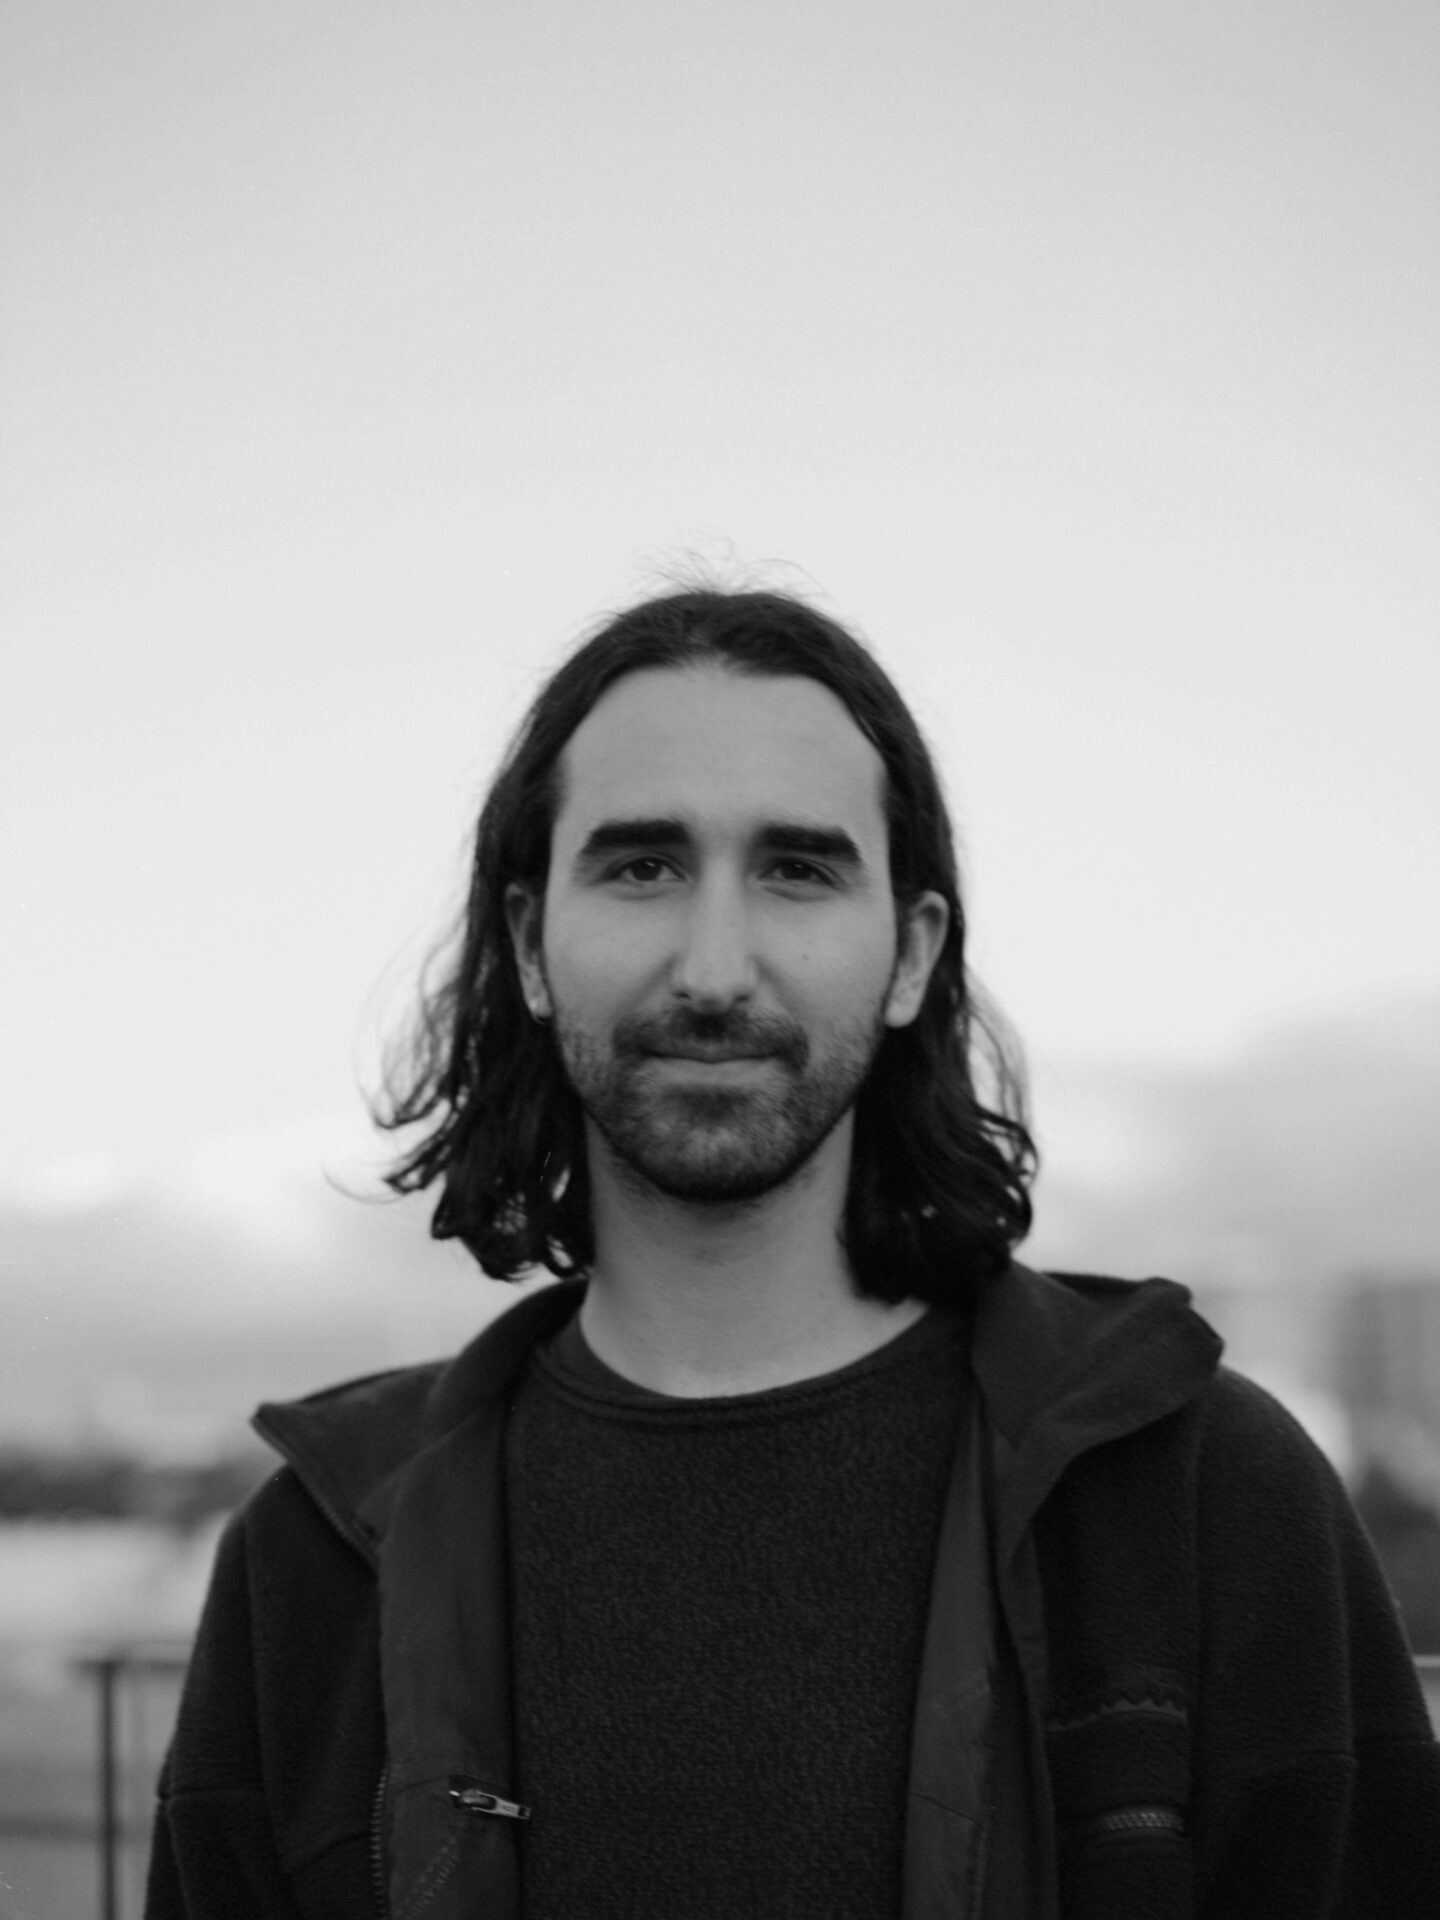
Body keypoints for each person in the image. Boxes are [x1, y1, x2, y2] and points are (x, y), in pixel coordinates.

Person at [146, 587, 1440, 1919]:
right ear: (532, 945)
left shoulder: (1203, 1495)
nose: (716, 967)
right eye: (643, 866)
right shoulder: (315, 1562)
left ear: (909, 956)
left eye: (798, 869)